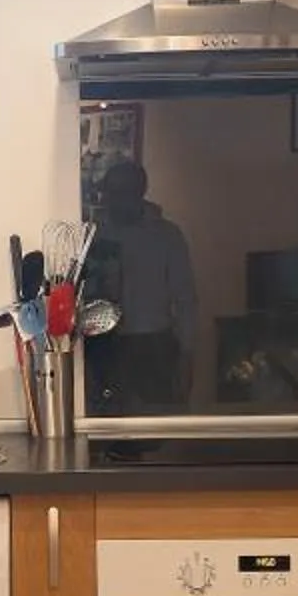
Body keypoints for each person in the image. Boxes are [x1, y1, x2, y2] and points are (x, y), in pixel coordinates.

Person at [84, 159, 197, 411]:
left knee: (154, 422)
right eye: (110, 192)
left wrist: (187, 353)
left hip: (152, 343)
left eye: (122, 191)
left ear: (140, 191)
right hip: (103, 342)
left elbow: (185, 297)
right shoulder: (94, 233)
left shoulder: (166, 235)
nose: (114, 199)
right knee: (105, 421)